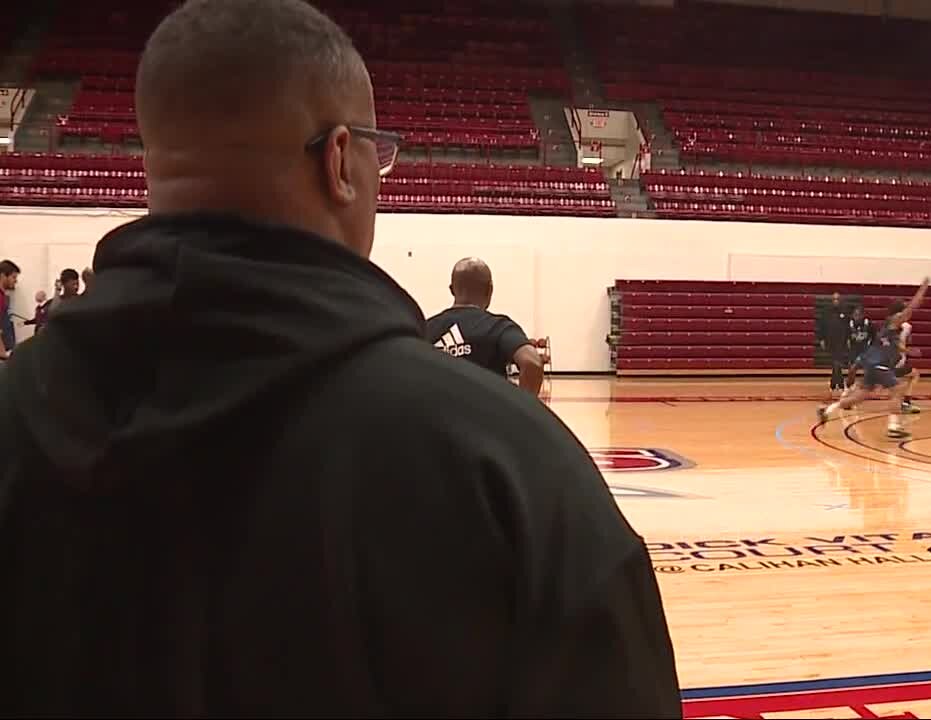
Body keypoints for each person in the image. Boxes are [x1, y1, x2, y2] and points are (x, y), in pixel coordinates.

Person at [0, 0, 679, 716]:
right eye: (376, 155)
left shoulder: (15, 412)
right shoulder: (507, 464)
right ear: (340, 161)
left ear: (154, 162)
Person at [818, 278, 930, 439]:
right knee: (898, 390)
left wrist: (909, 351)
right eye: (904, 310)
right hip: (880, 364)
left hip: (873, 364)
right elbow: (913, 306)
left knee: (859, 397)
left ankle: (826, 410)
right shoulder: (895, 320)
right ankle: (893, 427)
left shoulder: (890, 328)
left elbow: (893, 346)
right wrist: (923, 289)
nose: (907, 313)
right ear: (899, 311)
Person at [425, 257, 545, 396]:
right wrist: (522, 413)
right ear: (490, 290)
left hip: (437, 416)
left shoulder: (426, 329)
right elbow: (532, 364)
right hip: (487, 416)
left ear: (452, 290)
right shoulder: (499, 327)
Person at [819, 291, 852, 397]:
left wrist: (848, 339)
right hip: (830, 340)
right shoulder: (826, 312)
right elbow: (822, 326)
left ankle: (835, 385)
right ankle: (839, 385)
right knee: (835, 363)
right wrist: (822, 339)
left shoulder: (845, 312)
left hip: (841, 340)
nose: (836, 301)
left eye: (837, 299)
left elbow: (848, 327)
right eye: (834, 299)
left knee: (837, 363)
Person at [893, 321, 922, 414]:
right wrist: (910, 351)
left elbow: (908, 341)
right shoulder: (900, 328)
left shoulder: (902, 326)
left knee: (913, 374)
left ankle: (850, 399)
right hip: (893, 363)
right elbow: (898, 345)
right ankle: (905, 403)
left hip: (893, 362)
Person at [845, 300, 874, 388]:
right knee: (852, 369)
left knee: (869, 370)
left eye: (858, 315)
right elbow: (846, 337)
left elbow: (875, 337)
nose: (856, 317)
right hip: (854, 350)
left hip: (866, 350)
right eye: (855, 315)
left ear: (862, 315)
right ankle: (849, 387)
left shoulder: (868, 324)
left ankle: (869, 387)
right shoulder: (849, 324)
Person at [0, 260, 18, 359]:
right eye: (13, 277)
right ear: (3, 276)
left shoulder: (4, 297)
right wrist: (3, 354)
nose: (15, 281)